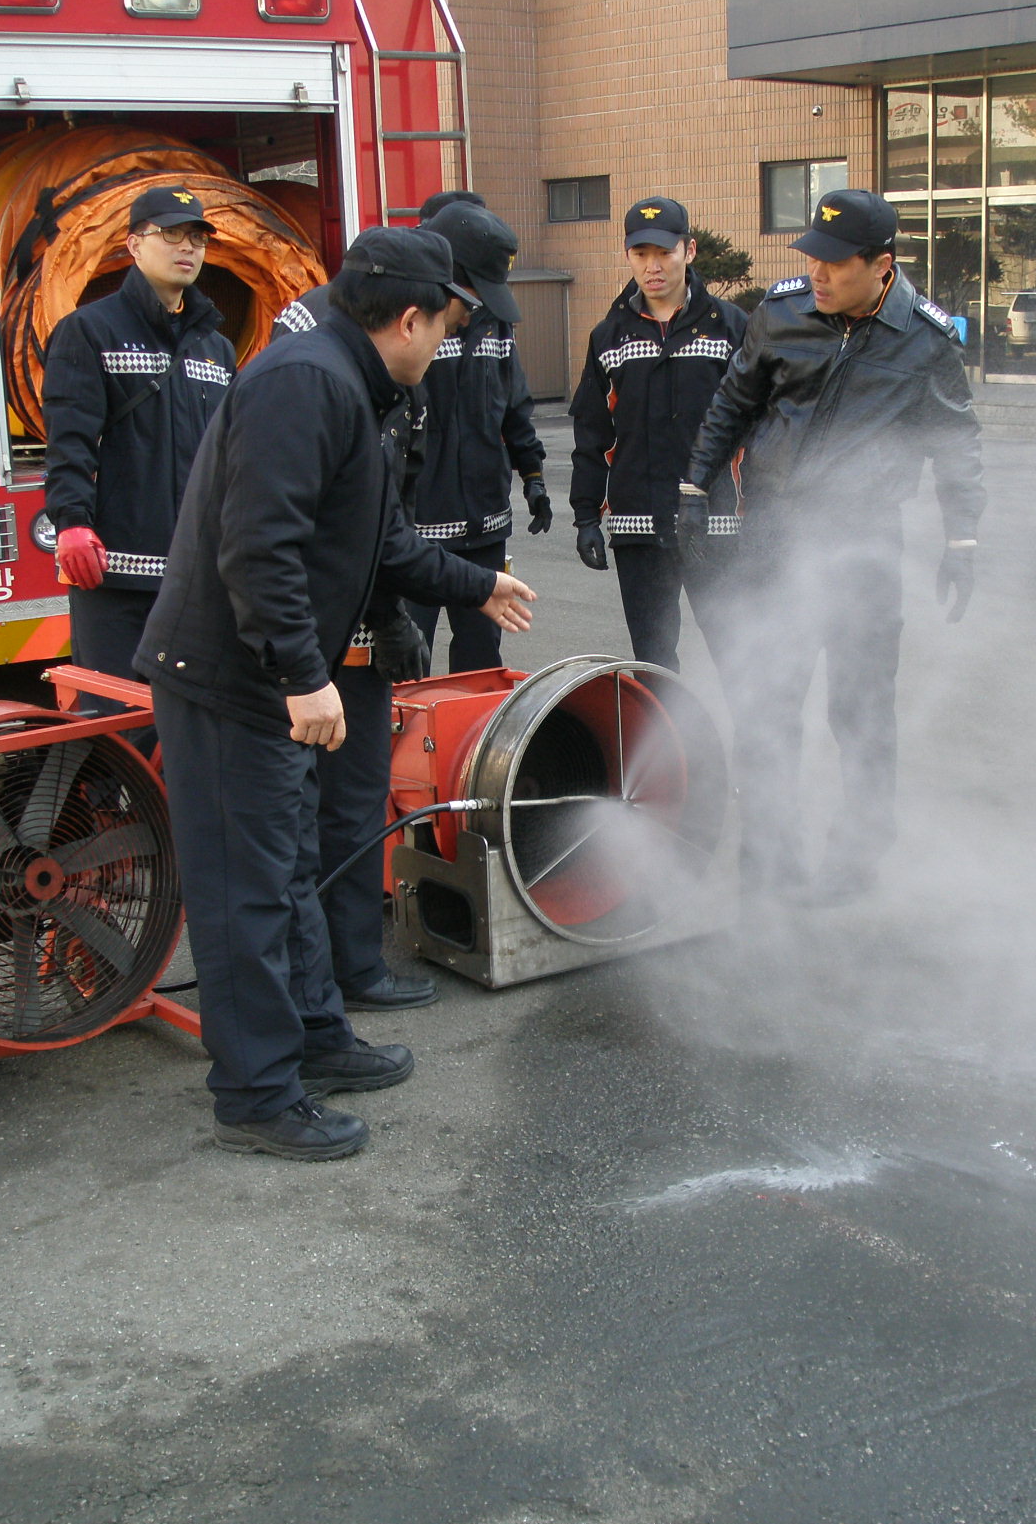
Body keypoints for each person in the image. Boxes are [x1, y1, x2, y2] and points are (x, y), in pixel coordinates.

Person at [138, 227, 539, 1162]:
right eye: (446, 328)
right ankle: (255, 1095)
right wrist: (303, 675)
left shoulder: (351, 385)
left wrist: (477, 584)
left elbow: (382, 542)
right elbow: (258, 548)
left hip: (265, 679)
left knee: (288, 870)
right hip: (231, 683)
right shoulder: (304, 383)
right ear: (410, 319)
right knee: (245, 891)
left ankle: (315, 1034)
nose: (445, 347)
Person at [684, 188, 987, 907]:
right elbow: (733, 403)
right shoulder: (782, 313)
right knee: (767, 703)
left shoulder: (925, 340)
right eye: (812, 258)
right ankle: (769, 858)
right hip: (773, 538)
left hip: (863, 546)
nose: (816, 273)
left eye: (835, 262)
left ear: (881, 265)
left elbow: (956, 443)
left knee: (860, 710)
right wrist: (694, 488)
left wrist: (962, 537)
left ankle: (858, 855)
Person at [268, 280, 458, 1014]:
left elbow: (389, 522)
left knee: (353, 806)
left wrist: (396, 614)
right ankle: (309, 987)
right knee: (299, 821)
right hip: (303, 648)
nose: (449, 336)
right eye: (448, 319)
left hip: (357, 630)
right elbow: (304, 538)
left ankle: (351, 966)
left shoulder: (398, 384)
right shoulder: (314, 368)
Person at [41, 184, 235, 723]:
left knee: (190, 724)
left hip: (196, 581)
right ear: (133, 244)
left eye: (197, 237)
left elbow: (228, 458)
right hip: (117, 577)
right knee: (118, 725)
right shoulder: (88, 331)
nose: (187, 247)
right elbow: (70, 441)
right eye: (171, 234)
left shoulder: (216, 348)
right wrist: (72, 523)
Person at [567, 196, 746, 672]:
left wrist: (763, 517)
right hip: (639, 529)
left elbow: (759, 428)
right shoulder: (608, 336)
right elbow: (593, 435)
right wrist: (585, 516)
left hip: (716, 527)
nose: (653, 266)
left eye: (665, 252)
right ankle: (665, 727)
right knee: (654, 661)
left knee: (739, 655)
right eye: (640, 253)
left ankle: (753, 727)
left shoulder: (732, 329)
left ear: (689, 250)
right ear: (628, 255)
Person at [404, 201, 550, 673]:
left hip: (485, 526)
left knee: (481, 662)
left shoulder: (495, 323)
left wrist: (532, 475)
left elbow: (514, 406)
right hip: (417, 533)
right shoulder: (409, 325)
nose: (473, 309)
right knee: (407, 660)